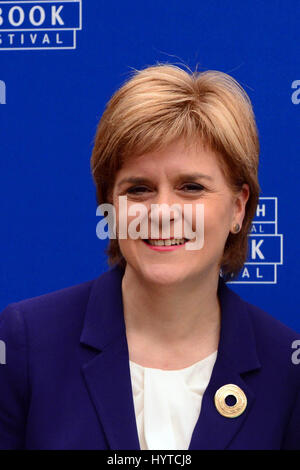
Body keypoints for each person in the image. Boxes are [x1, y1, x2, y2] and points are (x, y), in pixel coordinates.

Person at [0, 64, 299, 450]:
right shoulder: (26, 344)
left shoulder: (286, 368)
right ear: (110, 205)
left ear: (238, 207)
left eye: (191, 187)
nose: (161, 212)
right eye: (139, 189)